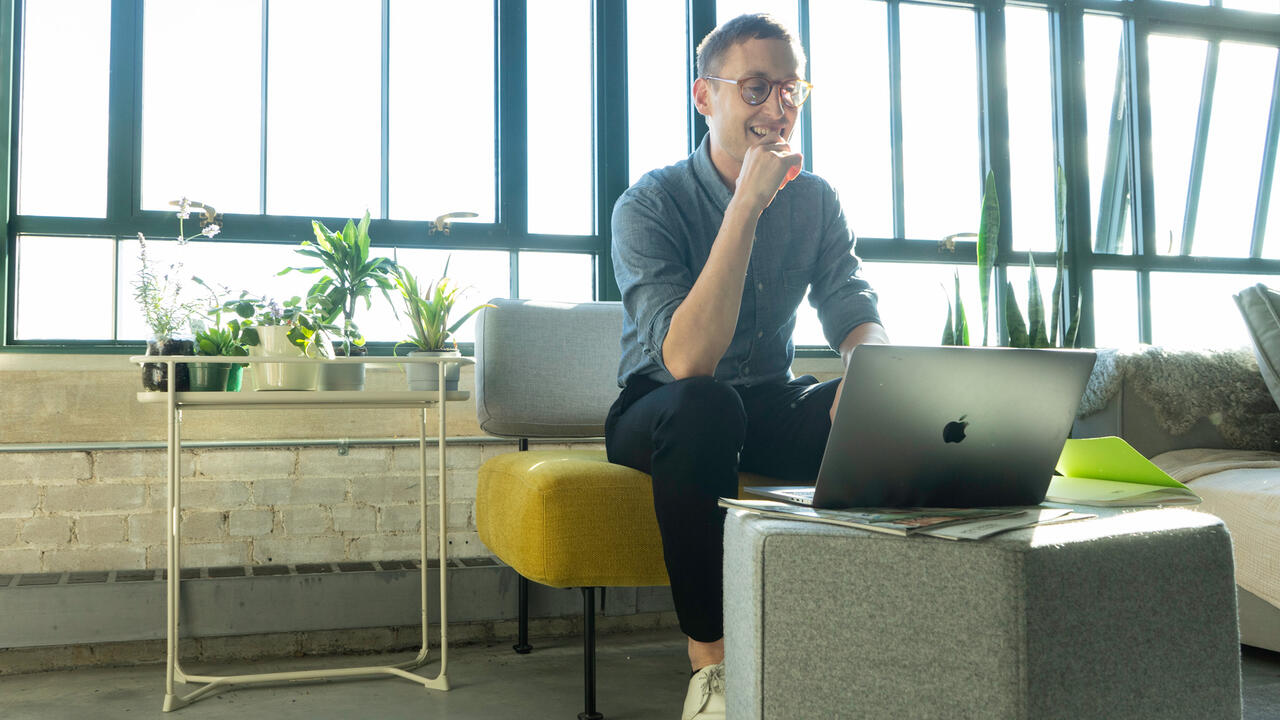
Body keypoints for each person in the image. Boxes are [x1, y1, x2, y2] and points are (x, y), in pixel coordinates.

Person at [606, 12, 889, 720]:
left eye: (791, 91)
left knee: (869, 411)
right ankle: (714, 670)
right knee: (708, 405)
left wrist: (873, 375)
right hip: (663, 403)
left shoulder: (817, 199)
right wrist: (747, 205)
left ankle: (875, 641)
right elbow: (687, 359)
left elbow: (850, 305)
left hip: (763, 397)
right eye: (756, 89)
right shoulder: (650, 203)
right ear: (706, 97)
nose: (777, 109)